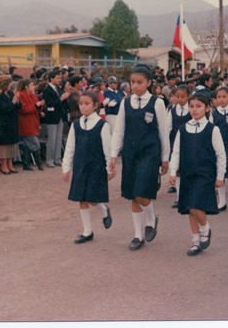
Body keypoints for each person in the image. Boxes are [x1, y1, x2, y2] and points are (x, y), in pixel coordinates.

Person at [110, 65, 170, 251]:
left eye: (139, 82)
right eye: (132, 82)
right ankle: (138, 235)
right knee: (133, 195)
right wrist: (113, 155)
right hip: (130, 153)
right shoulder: (125, 102)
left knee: (141, 192)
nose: (135, 86)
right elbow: (119, 130)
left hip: (150, 153)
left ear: (149, 83)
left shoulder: (157, 102)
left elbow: (163, 131)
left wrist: (165, 157)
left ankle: (151, 219)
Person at [169, 92, 226, 256]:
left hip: (205, 173)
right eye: (191, 106)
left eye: (199, 106)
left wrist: (220, 176)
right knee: (190, 209)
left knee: (196, 205)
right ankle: (196, 241)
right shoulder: (183, 128)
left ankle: (205, 229)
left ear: (207, 108)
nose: (194, 110)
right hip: (187, 173)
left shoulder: (212, 129)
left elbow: (220, 154)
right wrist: (173, 171)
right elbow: (176, 152)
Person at [62, 91, 114, 243]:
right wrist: (66, 168)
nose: (83, 107)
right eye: (81, 104)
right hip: (80, 166)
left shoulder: (102, 125)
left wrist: (109, 169)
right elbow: (70, 147)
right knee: (81, 198)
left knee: (91, 196)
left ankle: (103, 210)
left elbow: (107, 149)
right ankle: (87, 231)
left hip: (96, 166)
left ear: (96, 105)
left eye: (87, 104)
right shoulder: (76, 124)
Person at [166, 85, 191, 207]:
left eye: (183, 97)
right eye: (177, 96)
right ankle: (179, 197)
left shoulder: (192, 109)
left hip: (190, 143)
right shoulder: (172, 110)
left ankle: (190, 195)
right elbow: (168, 128)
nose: (180, 99)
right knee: (177, 170)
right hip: (175, 143)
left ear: (188, 96)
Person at [0, 75, 22, 174]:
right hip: (3, 123)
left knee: (12, 144)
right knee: (4, 145)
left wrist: (17, 99)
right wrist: (13, 101)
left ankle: (10, 164)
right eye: (9, 83)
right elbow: (3, 108)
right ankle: (3, 164)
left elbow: (18, 106)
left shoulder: (10, 93)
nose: (11, 85)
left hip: (13, 122)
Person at [42, 71, 69, 168]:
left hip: (60, 116)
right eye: (57, 78)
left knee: (58, 139)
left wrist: (64, 99)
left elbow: (62, 102)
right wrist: (61, 99)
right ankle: (49, 160)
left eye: (60, 78)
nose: (59, 80)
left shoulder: (59, 89)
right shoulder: (46, 89)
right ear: (51, 78)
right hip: (52, 117)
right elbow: (49, 103)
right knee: (52, 139)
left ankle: (57, 158)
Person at [17, 79, 44, 171]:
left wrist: (40, 106)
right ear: (26, 87)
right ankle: (39, 164)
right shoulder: (21, 95)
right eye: (32, 85)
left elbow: (36, 108)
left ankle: (26, 164)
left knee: (27, 144)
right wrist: (37, 106)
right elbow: (23, 110)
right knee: (35, 144)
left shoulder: (33, 95)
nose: (34, 87)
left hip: (33, 121)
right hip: (26, 122)